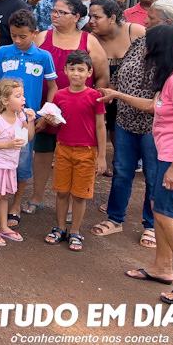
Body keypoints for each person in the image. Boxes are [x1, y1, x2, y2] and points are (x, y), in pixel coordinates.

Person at [100, 25, 173, 308]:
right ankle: (162, 268)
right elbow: (154, 107)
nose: (145, 50)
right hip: (170, 155)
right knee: (158, 207)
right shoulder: (171, 77)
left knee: (166, 216)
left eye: (149, 45)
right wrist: (118, 95)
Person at [28, 0, 109, 212]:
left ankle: (73, 204)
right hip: (46, 107)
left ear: (76, 16)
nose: (55, 15)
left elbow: (102, 75)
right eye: (54, 11)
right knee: (43, 152)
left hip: (78, 111)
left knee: (75, 157)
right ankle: (36, 197)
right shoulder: (43, 36)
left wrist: (94, 100)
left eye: (61, 12)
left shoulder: (88, 40)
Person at [0, 9, 57, 223]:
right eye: (13, 35)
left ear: (35, 33)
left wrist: (44, 114)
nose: (17, 40)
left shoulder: (43, 57)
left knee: (22, 162)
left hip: (26, 119)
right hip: (0, 117)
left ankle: (15, 205)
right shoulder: (2, 52)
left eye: (23, 36)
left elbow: (53, 87)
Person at [43, 51, 106, 252]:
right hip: (63, 149)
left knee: (79, 195)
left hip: (86, 152)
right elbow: (54, 122)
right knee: (61, 192)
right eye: (72, 69)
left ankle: (76, 231)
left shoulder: (95, 96)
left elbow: (100, 127)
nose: (76, 74)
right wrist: (51, 121)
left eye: (81, 70)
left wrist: (102, 156)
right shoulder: (59, 95)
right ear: (65, 71)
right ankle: (60, 228)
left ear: (89, 72)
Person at [88, 0, 146, 173]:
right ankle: (117, 160)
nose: (91, 21)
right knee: (112, 125)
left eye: (96, 17)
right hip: (105, 92)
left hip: (136, 92)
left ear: (112, 18)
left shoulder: (136, 31)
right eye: (90, 17)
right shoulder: (91, 39)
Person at [0, 79, 34, 246]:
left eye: (23, 95)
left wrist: (30, 121)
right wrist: (7, 144)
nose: (23, 99)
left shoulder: (20, 117)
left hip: (10, 164)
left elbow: (28, 137)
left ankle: (2, 226)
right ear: (5, 101)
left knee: (4, 196)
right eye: (18, 96)